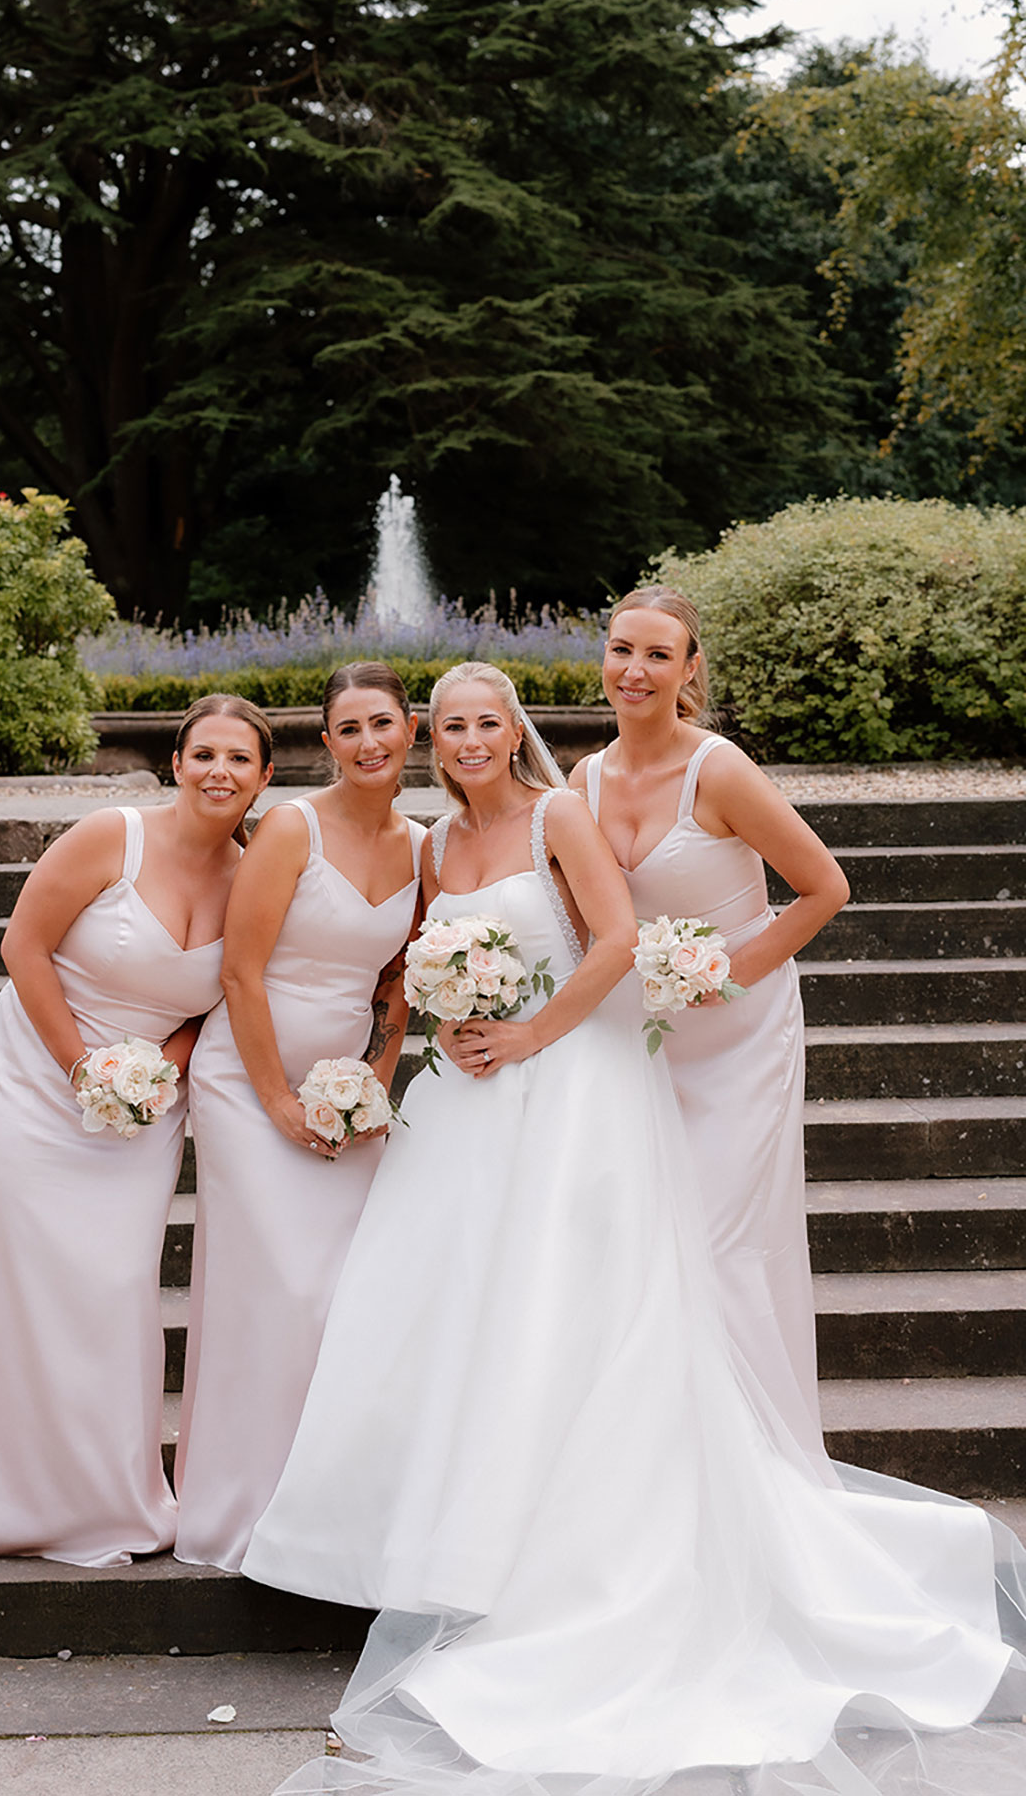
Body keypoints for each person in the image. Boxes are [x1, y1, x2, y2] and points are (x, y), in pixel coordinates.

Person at [242, 662, 1025, 1796]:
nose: (467, 739)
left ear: (515, 729)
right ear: (431, 738)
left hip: (571, 1089)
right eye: (451, 725)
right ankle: (465, 1548)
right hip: (468, 1105)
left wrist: (529, 1036)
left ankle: (579, 1566)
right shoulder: (427, 845)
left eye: (486, 722)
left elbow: (611, 940)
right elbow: (416, 968)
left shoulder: (559, 812)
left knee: (573, 1314)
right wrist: (451, 1025)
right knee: (467, 1317)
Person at [0, 694, 273, 1565]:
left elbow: (233, 994)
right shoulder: (109, 835)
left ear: (267, 776)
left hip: (144, 1107)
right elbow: (22, 945)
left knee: (115, 1290)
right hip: (30, 1080)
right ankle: (12, 1498)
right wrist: (84, 1065)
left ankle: (111, 1494)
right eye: (204, 754)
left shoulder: (258, 876)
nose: (219, 771)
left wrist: (162, 1061)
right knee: (25, 1295)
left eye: (239, 758)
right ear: (177, 763)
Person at [570, 585, 850, 1465]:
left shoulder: (719, 768)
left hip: (740, 1038)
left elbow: (825, 887)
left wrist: (727, 975)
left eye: (659, 654)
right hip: (640, 1041)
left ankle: (754, 1467)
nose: (635, 670)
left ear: (691, 668)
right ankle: (664, 1466)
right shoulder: (582, 778)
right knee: (647, 1246)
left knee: (719, 1244)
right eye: (622, 650)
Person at [174, 662, 426, 1572]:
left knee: (346, 1298)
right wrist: (276, 1095)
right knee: (278, 1291)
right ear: (327, 744)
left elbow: (398, 978)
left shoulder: (422, 847)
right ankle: (245, 1508)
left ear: (410, 732)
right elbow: (241, 971)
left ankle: (336, 1511)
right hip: (247, 1084)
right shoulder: (291, 827)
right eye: (348, 729)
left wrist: (377, 1079)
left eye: (382, 725)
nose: (367, 743)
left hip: (347, 1097)